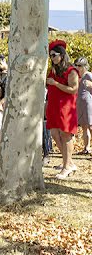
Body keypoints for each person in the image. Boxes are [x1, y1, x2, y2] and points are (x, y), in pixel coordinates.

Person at [46, 40, 79, 179]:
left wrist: (56, 83)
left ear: (62, 55)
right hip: (53, 106)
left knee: (66, 136)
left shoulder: (71, 71)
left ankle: (66, 167)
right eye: (50, 55)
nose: (52, 58)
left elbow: (73, 89)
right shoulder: (52, 70)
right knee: (54, 134)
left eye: (54, 55)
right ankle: (69, 162)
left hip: (66, 107)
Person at [75, 57, 92, 155]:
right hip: (80, 104)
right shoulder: (77, 76)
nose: (77, 67)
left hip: (88, 103)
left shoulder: (89, 75)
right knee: (84, 127)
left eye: (79, 65)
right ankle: (86, 148)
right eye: (76, 65)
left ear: (85, 66)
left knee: (91, 126)